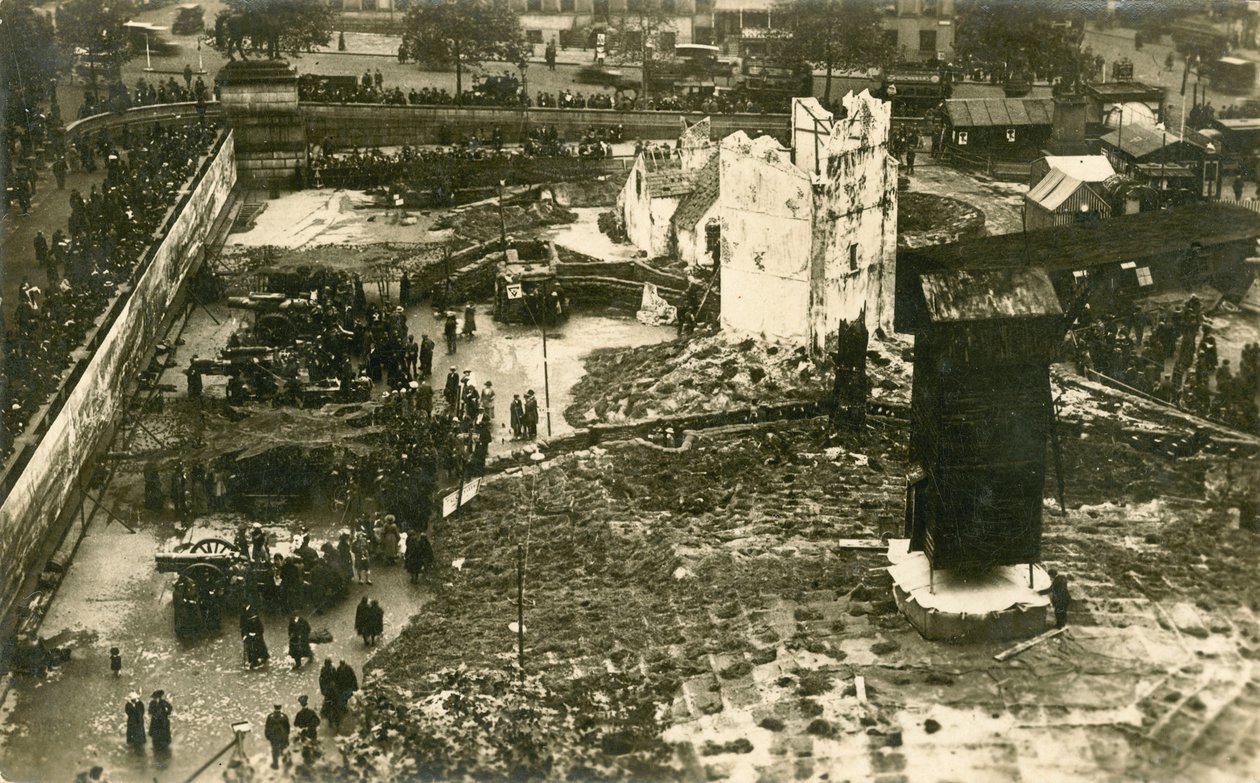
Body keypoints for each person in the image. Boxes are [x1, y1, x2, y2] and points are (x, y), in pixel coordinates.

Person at [264, 704, 291, 769]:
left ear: (274, 708)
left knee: (275, 751)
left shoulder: (270, 716)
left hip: (274, 738)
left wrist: (268, 737)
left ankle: (275, 764)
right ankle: (285, 764)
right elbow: (288, 728)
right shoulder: (284, 716)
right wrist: (286, 736)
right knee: (284, 750)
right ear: (280, 708)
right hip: (282, 737)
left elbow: (267, 727)